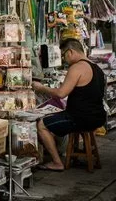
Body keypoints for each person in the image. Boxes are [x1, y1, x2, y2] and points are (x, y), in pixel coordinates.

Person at [32, 38, 106, 172]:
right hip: (98, 116)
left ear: (70, 52)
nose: (64, 59)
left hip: (80, 118)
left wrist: (41, 88)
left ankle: (57, 162)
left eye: (64, 55)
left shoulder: (77, 67)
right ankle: (66, 152)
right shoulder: (96, 68)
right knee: (55, 117)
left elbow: (61, 93)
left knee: (42, 124)